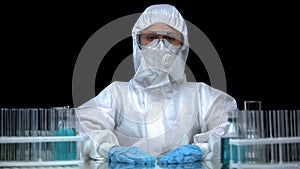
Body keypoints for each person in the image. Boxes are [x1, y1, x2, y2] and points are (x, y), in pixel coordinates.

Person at [75, 3, 238, 166]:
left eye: (169, 38)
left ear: (182, 45)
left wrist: (202, 150)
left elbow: (229, 129)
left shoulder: (202, 96)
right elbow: (82, 129)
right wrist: (110, 150)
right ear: (138, 43)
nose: (160, 46)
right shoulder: (116, 94)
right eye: (151, 37)